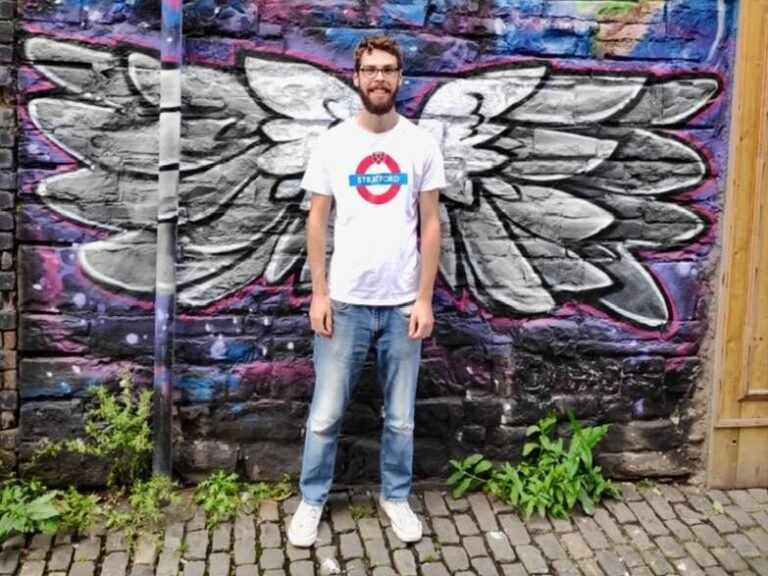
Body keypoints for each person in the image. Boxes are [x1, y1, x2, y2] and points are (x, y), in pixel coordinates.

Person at [287, 34, 446, 548]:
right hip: (347, 303)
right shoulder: (335, 142)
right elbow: (316, 220)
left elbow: (430, 225)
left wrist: (423, 299)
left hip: (402, 304)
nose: (379, 77)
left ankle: (395, 496)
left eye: (388, 69)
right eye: (371, 69)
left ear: (400, 78)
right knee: (326, 413)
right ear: (356, 78)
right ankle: (312, 501)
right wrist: (319, 293)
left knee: (400, 418)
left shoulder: (420, 143)